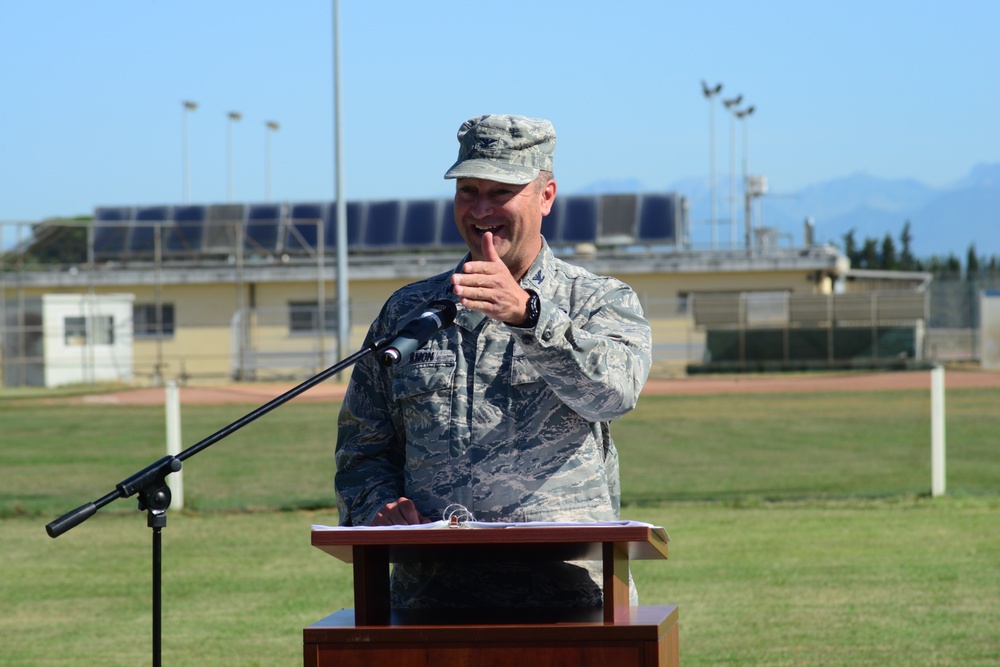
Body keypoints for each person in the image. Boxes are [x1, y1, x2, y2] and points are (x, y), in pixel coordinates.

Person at [335, 113, 652, 609]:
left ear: (546, 196)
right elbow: (361, 449)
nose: (481, 209)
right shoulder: (407, 312)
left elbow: (614, 393)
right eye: (468, 190)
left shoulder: (596, 300)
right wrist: (378, 506)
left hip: (572, 598)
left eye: (500, 192)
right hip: (431, 599)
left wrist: (529, 316)